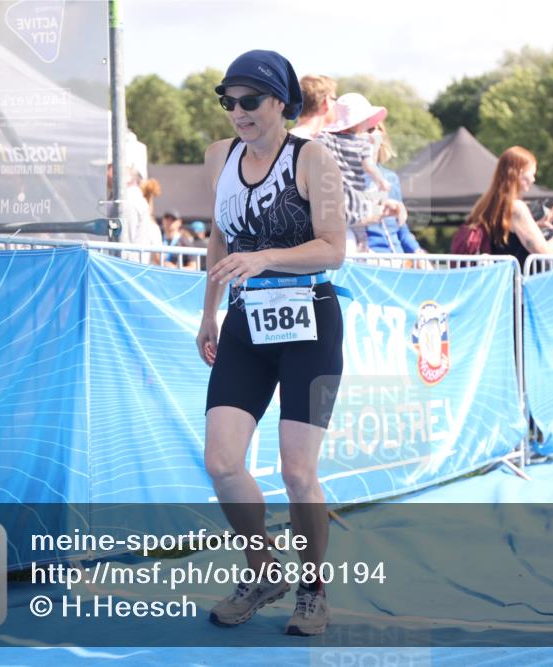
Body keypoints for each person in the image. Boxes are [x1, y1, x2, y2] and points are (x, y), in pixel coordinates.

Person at [199, 49, 346, 636]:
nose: (238, 112)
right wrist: (207, 313)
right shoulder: (219, 157)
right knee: (222, 462)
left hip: (311, 319)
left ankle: (313, 590)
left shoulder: (312, 158)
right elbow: (218, 234)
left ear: (281, 102)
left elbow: (334, 248)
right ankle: (263, 570)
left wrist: (265, 257)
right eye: (228, 101)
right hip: (244, 324)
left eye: (251, 100)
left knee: (297, 473)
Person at [315, 93, 406, 254]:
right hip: (351, 205)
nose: (370, 132)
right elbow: (370, 166)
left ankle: (362, 250)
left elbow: (315, 149)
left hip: (340, 202)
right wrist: (381, 182)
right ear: (358, 123)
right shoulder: (362, 145)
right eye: (368, 125)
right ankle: (363, 249)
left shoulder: (327, 138)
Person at [465, 146, 553, 267]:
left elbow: (506, 238)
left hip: (498, 279)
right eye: (532, 174)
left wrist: (537, 225)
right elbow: (546, 255)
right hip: (515, 281)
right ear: (520, 172)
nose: (533, 179)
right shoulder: (516, 208)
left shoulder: (486, 203)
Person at [364, 122, 423, 256]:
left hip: (397, 261)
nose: (367, 135)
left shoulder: (391, 178)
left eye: (372, 129)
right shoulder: (348, 177)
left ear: (382, 135)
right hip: (367, 263)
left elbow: (401, 226)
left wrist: (417, 251)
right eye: (363, 130)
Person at [288, 74, 337, 139]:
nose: (336, 104)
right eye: (334, 99)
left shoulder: (288, 138)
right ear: (326, 101)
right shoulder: (315, 143)